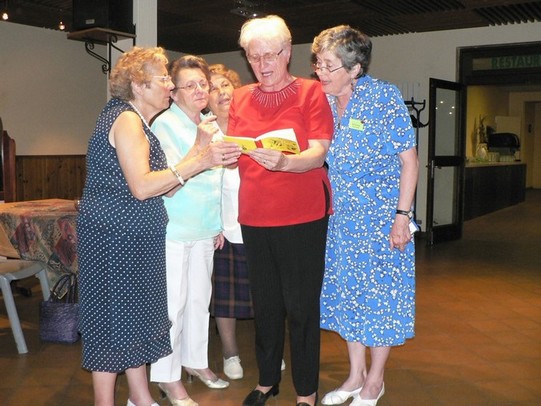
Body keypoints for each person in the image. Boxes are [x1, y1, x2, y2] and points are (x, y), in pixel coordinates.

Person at [77, 46, 237, 406]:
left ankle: (141, 398)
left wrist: (199, 152)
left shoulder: (136, 120)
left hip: (133, 237)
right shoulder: (127, 120)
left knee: (133, 322)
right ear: (139, 85)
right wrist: (200, 161)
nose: (169, 85)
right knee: (112, 326)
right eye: (163, 78)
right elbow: (142, 186)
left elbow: (169, 184)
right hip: (115, 238)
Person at [228, 15, 334, 406]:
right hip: (255, 213)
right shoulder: (240, 97)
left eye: (270, 55)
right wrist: (223, 152)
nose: (262, 64)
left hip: (301, 214)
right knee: (266, 305)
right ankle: (267, 380)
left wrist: (286, 162)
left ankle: (306, 391)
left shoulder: (311, 92)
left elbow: (319, 152)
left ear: (287, 52)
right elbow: (237, 149)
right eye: (253, 57)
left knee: (301, 307)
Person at [312, 25, 419, 406]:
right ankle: (356, 374)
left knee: (381, 298)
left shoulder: (383, 98)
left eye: (328, 65)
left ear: (354, 69)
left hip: (381, 218)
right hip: (341, 219)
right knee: (349, 296)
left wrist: (402, 217)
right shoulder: (322, 101)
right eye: (317, 63)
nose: (319, 72)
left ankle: (376, 379)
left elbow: (410, 162)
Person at [150, 55, 241, 404]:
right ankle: (167, 377)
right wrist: (201, 146)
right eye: (190, 85)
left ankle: (196, 361)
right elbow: (171, 183)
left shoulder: (208, 123)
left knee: (201, 302)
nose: (200, 90)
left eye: (203, 83)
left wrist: (217, 223)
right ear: (174, 93)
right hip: (174, 228)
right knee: (173, 306)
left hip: (204, 227)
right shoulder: (164, 125)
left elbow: (217, 180)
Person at [207, 64, 252, 381]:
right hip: (220, 227)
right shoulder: (204, 133)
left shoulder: (250, 125)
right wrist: (213, 224)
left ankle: (269, 349)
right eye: (213, 88)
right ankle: (230, 353)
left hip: (256, 223)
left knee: (266, 293)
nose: (221, 92)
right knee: (224, 297)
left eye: (225, 84)